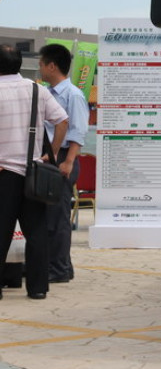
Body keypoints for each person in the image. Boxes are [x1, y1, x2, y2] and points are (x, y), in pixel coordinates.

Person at [0, 45, 68, 300]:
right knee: (37, 231)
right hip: (33, 171)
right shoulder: (37, 90)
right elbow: (62, 121)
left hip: (4, 172)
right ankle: (38, 288)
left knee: (1, 231)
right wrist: (52, 153)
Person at [39, 44, 89, 283]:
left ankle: (58, 269)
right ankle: (62, 266)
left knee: (58, 216)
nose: (39, 68)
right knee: (50, 215)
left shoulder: (73, 95)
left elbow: (78, 132)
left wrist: (68, 161)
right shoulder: (47, 93)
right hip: (51, 157)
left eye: (41, 64)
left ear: (52, 66)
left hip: (64, 158)